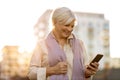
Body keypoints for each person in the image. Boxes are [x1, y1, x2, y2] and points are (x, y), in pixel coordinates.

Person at [27, 7, 99, 80]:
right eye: (67, 25)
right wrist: (52, 70)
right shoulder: (41, 45)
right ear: (55, 22)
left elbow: (84, 73)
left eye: (72, 26)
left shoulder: (79, 44)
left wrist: (87, 73)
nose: (70, 29)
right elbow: (31, 74)